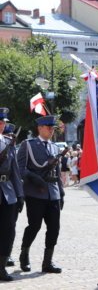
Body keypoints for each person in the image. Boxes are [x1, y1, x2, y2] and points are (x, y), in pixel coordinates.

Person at [17, 115, 64, 274]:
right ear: (40, 128)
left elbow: (57, 172)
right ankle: (24, 253)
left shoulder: (55, 147)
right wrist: (34, 178)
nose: (51, 130)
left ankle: (47, 262)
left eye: (53, 128)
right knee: (34, 226)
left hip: (53, 193)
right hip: (35, 193)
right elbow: (20, 168)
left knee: (54, 228)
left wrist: (61, 192)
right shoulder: (28, 145)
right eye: (48, 127)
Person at [0, 109, 24, 282]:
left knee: (8, 231)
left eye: (4, 122)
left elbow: (15, 171)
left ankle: (1, 268)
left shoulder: (9, 142)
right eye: (0, 122)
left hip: (8, 192)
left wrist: (20, 194)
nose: (3, 125)